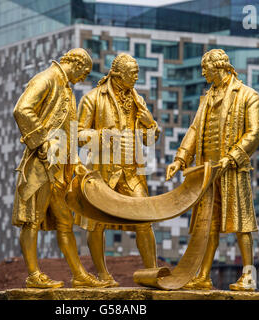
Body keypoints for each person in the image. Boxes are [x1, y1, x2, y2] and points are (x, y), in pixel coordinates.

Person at [166, 49, 259, 291]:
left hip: (232, 170)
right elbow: (195, 129)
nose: (202, 73)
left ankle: (248, 276)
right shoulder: (207, 97)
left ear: (218, 67)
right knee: (207, 224)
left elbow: (254, 134)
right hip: (206, 171)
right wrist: (180, 158)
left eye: (205, 68)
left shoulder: (248, 95)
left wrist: (232, 157)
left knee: (242, 224)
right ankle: (203, 275)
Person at [12, 48, 108, 289]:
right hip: (41, 164)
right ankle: (33, 275)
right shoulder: (47, 78)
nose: (83, 78)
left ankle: (79, 275)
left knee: (65, 221)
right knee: (31, 219)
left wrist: (75, 162)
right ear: (75, 64)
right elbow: (22, 109)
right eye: (83, 73)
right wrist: (42, 142)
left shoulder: (67, 88)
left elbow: (68, 132)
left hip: (62, 167)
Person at [76, 53, 160, 287]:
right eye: (132, 73)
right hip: (102, 172)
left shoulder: (137, 100)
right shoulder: (93, 98)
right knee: (96, 223)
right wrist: (104, 137)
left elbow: (150, 139)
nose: (136, 77)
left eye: (137, 73)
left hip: (131, 171)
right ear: (117, 74)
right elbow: (78, 135)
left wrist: (150, 122)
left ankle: (152, 272)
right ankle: (102, 274)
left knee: (144, 219)